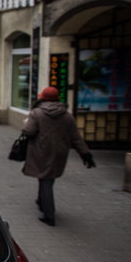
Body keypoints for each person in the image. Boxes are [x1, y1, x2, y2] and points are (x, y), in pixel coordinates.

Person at [22, 87, 96, 226]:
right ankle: (41, 201)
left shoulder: (37, 113)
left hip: (41, 151)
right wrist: (85, 154)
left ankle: (49, 215)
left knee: (45, 181)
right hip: (59, 152)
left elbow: (29, 132)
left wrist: (26, 125)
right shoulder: (67, 115)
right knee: (47, 178)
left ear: (42, 98)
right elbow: (75, 137)